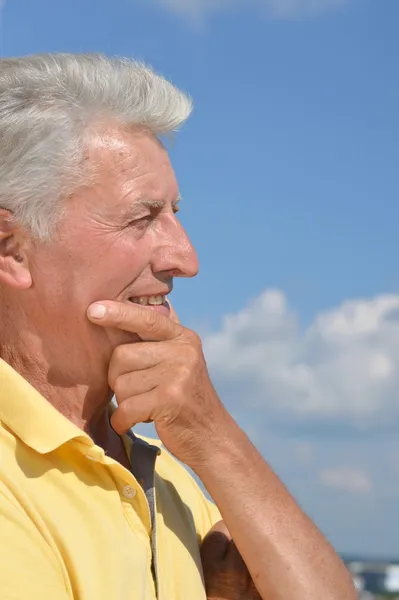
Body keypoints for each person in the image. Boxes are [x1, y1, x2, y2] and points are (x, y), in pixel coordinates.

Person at [0, 53, 356, 600]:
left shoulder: (158, 464)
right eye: (141, 218)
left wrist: (213, 435)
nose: (185, 258)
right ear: (12, 251)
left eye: (174, 213)